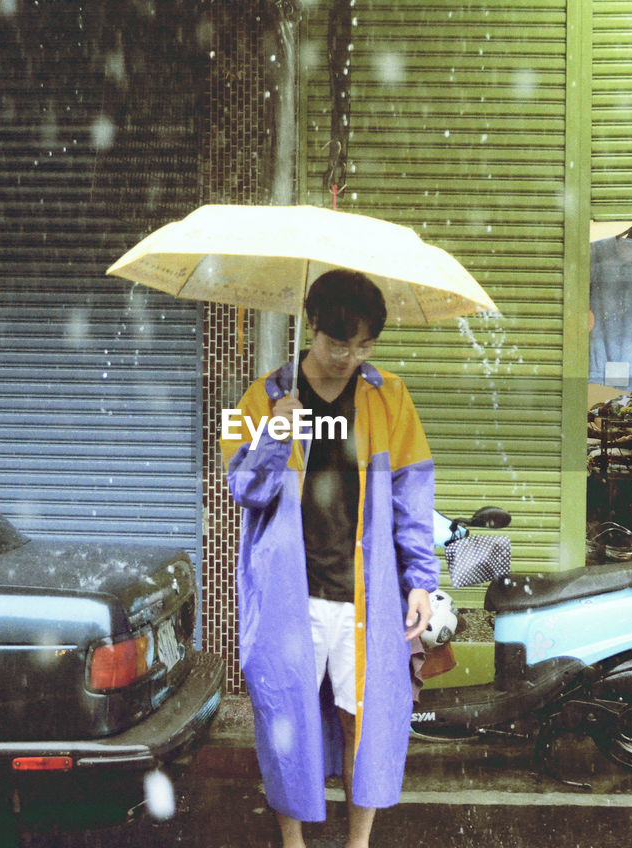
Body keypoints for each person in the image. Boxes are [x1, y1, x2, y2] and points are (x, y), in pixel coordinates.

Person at [221, 269, 438, 848]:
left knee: (361, 720)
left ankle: (357, 842)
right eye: (338, 341)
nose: (349, 355)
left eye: (364, 344)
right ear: (311, 327)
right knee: (284, 719)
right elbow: (239, 487)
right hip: (289, 592)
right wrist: (272, 434)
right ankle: (292, 842)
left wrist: (421, 580)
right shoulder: (258, 395)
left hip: (364, 592)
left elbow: (414, 493)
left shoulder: (390, 396)